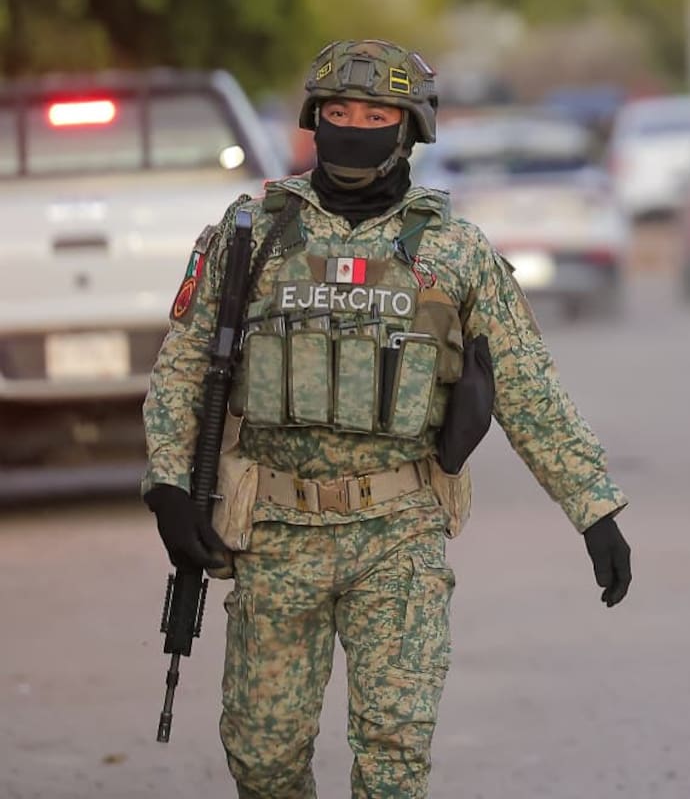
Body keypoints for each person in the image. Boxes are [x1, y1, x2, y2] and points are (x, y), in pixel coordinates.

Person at [141, 39, 632, 799]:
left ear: (409, 129)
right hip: (275, 535)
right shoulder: (249, 234)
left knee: (392, 759)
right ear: (314, 119)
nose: (354, 126)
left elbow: (531, 390)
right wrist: (170, 486)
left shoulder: (454, 250)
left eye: (375, 114)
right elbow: (184, 365)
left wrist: (593, 509)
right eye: (338, 112)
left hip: (398, 535)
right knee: (261, 759)